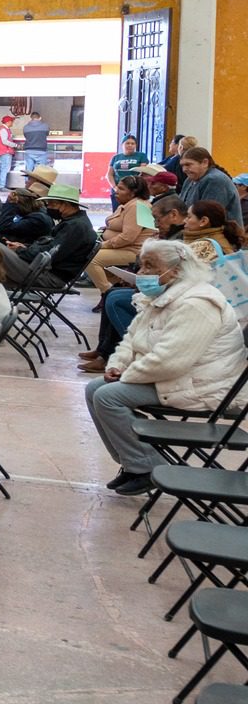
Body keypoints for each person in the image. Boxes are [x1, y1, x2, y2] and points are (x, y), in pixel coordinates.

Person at [86, 240, 248, 496]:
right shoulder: (162, 294)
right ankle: (135, 463)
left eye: (150, 266)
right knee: (94, 388)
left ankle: (147, 466)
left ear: (175, 270)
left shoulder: (196, 303)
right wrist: (117, 364)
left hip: (207, 386)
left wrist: (126, 375)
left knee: (107, 396)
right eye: (141, 266)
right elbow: (131, 339)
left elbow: (170, 361)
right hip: (180, 377)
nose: (141, 273)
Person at [84, 195, 192, 368]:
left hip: (166, 291)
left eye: (157, 219)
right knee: (112, 292)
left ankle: (132, 352)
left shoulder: (179, 240)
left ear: (173, 215)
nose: (155, 224)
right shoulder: (168, 235)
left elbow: (170, 271)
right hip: (155, 283)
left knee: (116, 299)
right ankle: (105, 350)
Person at [0, 183, 97, 287]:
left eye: (52, 204)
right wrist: (25, 247)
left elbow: (51, 253)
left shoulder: (76, 226)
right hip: (43, 270)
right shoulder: (73, 222)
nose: (48, 207)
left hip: (49, 276)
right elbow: (50, 246)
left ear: (65, 204)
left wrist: (21, 250)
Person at [86, 176, 156, 295]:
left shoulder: (137, 207)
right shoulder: (127, 204)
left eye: (121, 189)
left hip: (133, 251)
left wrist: (103, 245)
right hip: (121, 248)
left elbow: (128, 237)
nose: (116, 191)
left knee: (91, 258)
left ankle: (107, 292)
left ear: (133, 192)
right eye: (117, 187)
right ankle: (117, 288)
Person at [181, 146, 244, 225]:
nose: (184, 169)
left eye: (188, 164)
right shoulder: (189, 180)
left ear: (205, 163)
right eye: (182, 165)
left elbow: (209, 217)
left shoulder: (215, 180)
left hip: (221, 234)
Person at [0, 114, 18, 187]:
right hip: (5, 152)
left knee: (3, 169)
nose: (12, 123)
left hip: (3, 151)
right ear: (8, 122)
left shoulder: (4, 129)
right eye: (12, 121)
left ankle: (1, 186)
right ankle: (1, 186)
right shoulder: (3, 129)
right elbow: (5, 141)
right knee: (4, 169)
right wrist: (15, 145)